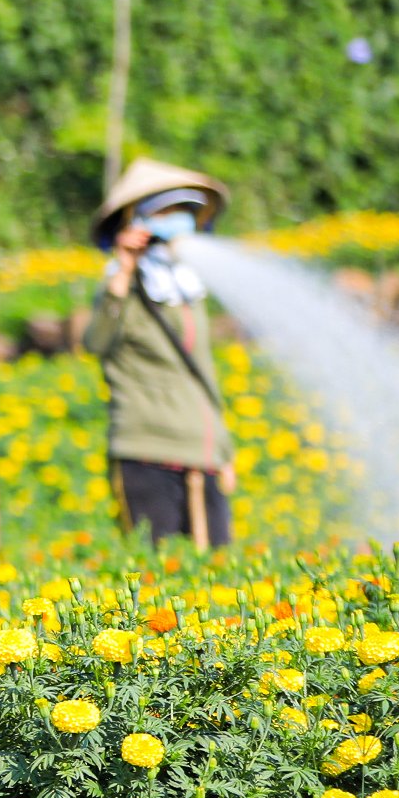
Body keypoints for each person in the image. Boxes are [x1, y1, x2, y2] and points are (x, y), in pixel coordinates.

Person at [86, 157, 233, 549]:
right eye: (166, 211)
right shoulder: (123, 289)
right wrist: (123, 271)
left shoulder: (187, 291)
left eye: (185, 211)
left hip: (202, 455)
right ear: (137, 224)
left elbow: (202, 371)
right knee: (154, 578)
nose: (179, 221)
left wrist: (224, 449)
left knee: (220, 580)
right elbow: (96, 343)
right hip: (145, 452)